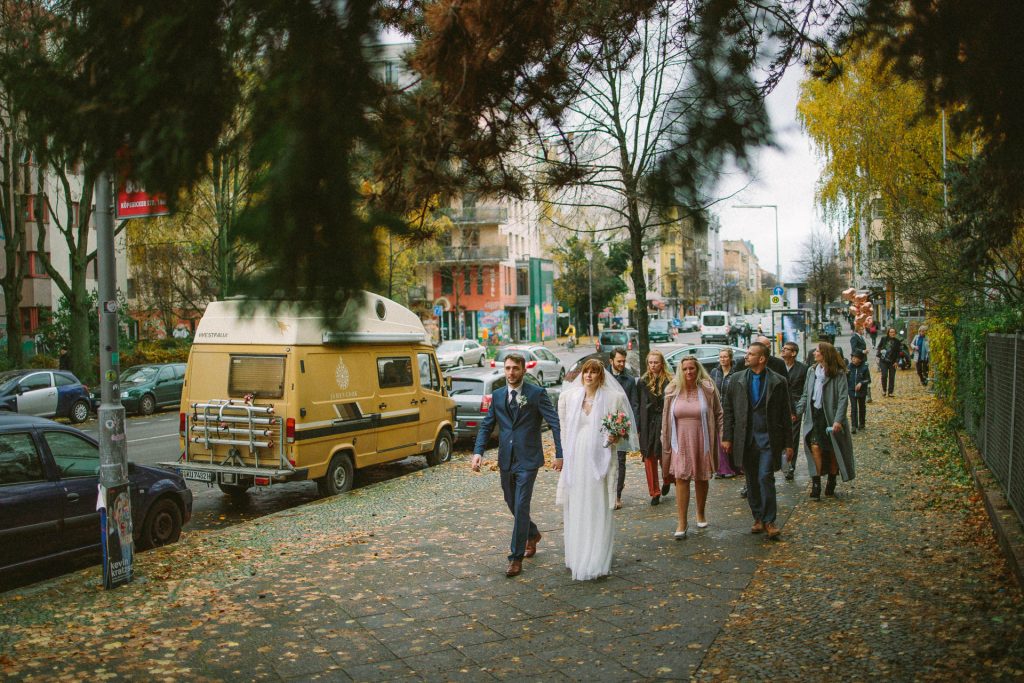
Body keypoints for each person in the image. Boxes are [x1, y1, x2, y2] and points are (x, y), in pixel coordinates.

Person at [472, 355, 563, 578]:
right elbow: (486, 426)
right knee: (511, 501)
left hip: (528, 459)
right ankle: (532, 533)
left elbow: (554, 423)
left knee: (521, 504)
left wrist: (560, 454)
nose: (511, 373)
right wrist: (478, 452)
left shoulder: (536, 393)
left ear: (523, 370)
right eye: (507, 368)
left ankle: (515, 557)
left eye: (515, 369)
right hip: (506, 458)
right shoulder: (498, 395)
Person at [556, 359, 637, 581]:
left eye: (594, 372)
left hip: (600, 460)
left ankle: (597, 556)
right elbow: (563, 431)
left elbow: (625, 433)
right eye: (586, 372)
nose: (589, 376)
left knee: (598, 504)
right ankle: (577, 554)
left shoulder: (614, 399)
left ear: (601, 375)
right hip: (577, 460)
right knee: (578, 504)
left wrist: (615, 436)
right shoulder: (569, 398)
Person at [722, 342, 794, 540]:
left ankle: (770, 520)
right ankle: (758, 517)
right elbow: (728, 411)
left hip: (768, 439)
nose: (746, 357)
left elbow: (785, 415)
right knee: (752, 480)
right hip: (745, 440)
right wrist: (727, 437)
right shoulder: (736, 380)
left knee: (765, 477)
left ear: (761, 359)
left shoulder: (778, 382)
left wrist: (789, 443)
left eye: (750, 354)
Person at [660, 356, 723, 539]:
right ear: (681, 371)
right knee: (681, 477)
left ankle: (701, 512)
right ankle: (682, 522)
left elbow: (719, 413)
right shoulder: (672, 390)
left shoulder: (707, 389)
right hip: (679, 441)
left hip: (702, 438)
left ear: (697, 370)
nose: (689, 372)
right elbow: (666, 418)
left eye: (692, 369)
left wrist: (723, 436)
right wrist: (664, 439)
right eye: (685, 369)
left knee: (702, 477)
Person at [796, 342, 856, 500]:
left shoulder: (838, 373)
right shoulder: (811, 371)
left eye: (817, 351)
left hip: (831, 417)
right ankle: (816, 483)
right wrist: (797, 412)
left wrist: (838, 420)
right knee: (814, 447)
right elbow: (805, 394)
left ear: (825, 354)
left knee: (833, 450)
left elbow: (843, 398)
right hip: (815, 415)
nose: (814, 353)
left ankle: (832, 479)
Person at [638, 350, 673, 506]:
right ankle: (654, 492)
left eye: (656, 362)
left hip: (664, 420)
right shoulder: (642, 381)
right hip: (648, 422)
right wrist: (639, 428)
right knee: (649, 457)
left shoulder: (670, 381)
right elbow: (639, 405)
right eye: (650, 363)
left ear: (662, 363)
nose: (653, 365)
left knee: (664, 455)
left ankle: (667, 479)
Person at [607, 347, 640, 510]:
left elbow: (634, 404)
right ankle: (605, 493)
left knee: (620, 460)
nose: (621, 364)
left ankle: (617, 495)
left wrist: (633, 427)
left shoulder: (629, 379)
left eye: (623, 361)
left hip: (621, 424)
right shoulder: (603, 375)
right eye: (619, 361)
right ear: (611, 361)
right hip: (602, 424)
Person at [709, 349, 742, 478]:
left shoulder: (736, 373)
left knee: (731, 437)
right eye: (721, 357)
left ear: (730, 358)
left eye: (725, 357)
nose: (723, 359)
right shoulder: (715, 372)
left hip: (732, 410)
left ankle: (735, 466)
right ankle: (722, 468)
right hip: (717, 409)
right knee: (719, 438)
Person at [779, 341, 808, 482]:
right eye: (783, 348)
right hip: (779, 405)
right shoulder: (778, 367)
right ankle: (782, 462)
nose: (783, 350)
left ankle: (791, 466)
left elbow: (805, 391)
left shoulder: (803, 369)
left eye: (786, 349)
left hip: (795, 406)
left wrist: (798, 409)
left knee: (793, 436)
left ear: (794, 353)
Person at [847, 350, 871, 433]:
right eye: (852, 357)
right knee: (853, 407)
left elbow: (868, 379)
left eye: (855, 358)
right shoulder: (849, 367)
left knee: (861, 407)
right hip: (851, 390)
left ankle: (862, 423)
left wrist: (861, 383)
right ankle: (853, 425)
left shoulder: (864, 367)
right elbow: (846, 378)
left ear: (860, 359)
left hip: (862, 391)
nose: (853, 359)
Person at [876, 328, 904, 397]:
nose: (893, 333)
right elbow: (879, 347)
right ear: (888, 333)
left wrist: (897, 362)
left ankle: (890, 392)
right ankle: (884, 390)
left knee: (892, 377)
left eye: (894, 332)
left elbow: (898, 353)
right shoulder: (884, 339)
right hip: (883, 361)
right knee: (884, 375)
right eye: (891, 332)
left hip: (892, 362)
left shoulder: (897, 341)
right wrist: (880, 351)